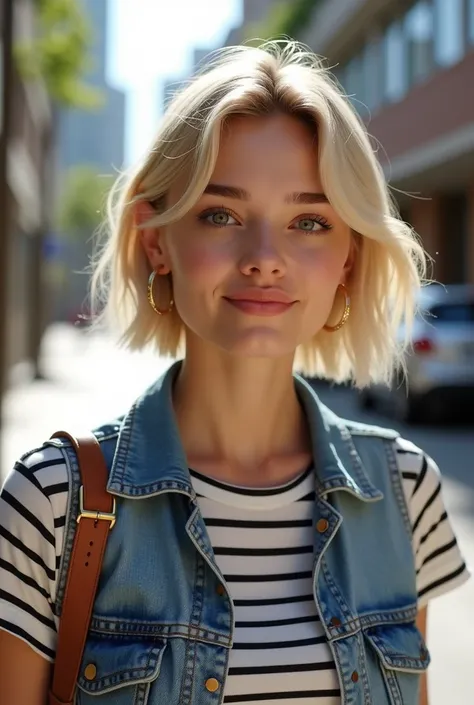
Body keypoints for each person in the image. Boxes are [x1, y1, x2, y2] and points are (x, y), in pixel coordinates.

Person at [0, 41, 469, 705]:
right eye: (221, 213)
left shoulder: (405, 493)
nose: (265, 258)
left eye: (308, 221)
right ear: (157, 239)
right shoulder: (52, 505)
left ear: (348, 259)